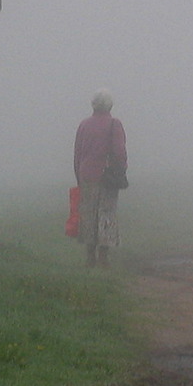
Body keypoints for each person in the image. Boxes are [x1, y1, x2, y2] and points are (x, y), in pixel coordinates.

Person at [73, 89, 128, 268]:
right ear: (109, 105)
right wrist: (121, 170)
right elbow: (119, 151)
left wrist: (79, 176)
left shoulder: (83, 125)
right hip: (106, 176)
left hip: (86, 174)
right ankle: (103, 257)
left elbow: (77, 154)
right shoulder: (114, 124)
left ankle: (90, 256)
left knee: (88, 214)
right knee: (106, 213)